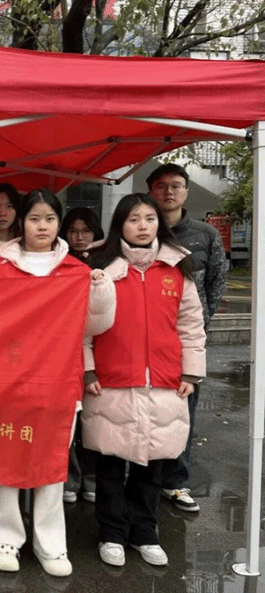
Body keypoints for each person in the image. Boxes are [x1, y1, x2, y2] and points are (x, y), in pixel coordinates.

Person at [0, 189, 115, 578]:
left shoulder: (76, 271)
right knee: (4, 456)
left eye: (50, 219)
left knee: (52, 462)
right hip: (8, 380)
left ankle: (51, 543)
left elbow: (96, 326)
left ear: (59, 223)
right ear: (21, 222)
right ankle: (3, 537)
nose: (42, 226)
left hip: (58, 381)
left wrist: (100, 290)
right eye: (34, 218)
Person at [84, 193, 205, 567]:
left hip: (165, 382)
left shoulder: (176, 268)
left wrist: (191, 371)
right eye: (134, 219)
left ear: (160, 224)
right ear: (120, 224)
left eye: (150, 219)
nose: (142, 226)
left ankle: (145, 533)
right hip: (111, 382)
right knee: (109, 468)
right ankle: (112, 533)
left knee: (152, 468)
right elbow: (81, 328)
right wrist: (87, 369)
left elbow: (191, 325)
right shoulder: (100, 267)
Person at [146, 163, 228, 513]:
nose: (169, 192)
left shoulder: (205, 235)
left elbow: (216, 284)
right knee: (144, 408)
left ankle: (175, 481)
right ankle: (142, 476)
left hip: (186, 341)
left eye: (176, 185)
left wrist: (199, 330)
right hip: (144, 339)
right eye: (161, 185)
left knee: (184, 411)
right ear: (150, 191)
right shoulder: (140, 228)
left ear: (187, 191)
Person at [58, 207, 106, 504]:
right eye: (73, 231)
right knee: (70, 422)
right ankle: (71, 478)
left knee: (94, 421)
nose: (79, 237)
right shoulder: (58, 262)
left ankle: (91, 477)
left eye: (85, 231)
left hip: (100, 350)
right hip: (65, 351)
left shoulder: (106, 262)